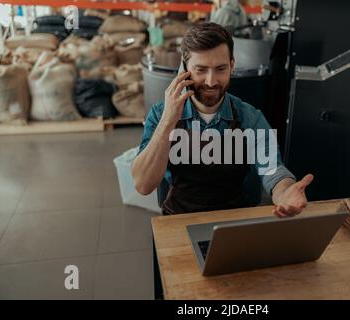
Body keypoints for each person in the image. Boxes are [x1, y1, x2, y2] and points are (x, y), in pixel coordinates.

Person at [132, 22, 313, 217]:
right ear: (184, 68)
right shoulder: (161, 115)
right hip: (178, 218)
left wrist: (286, 193)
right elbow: (143, 185)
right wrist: (168, 122)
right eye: (200, 70)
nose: (211, 81)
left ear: (232, 65)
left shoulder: (250, 118)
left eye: (220, 69)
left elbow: (274, 171)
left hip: (233, 222)